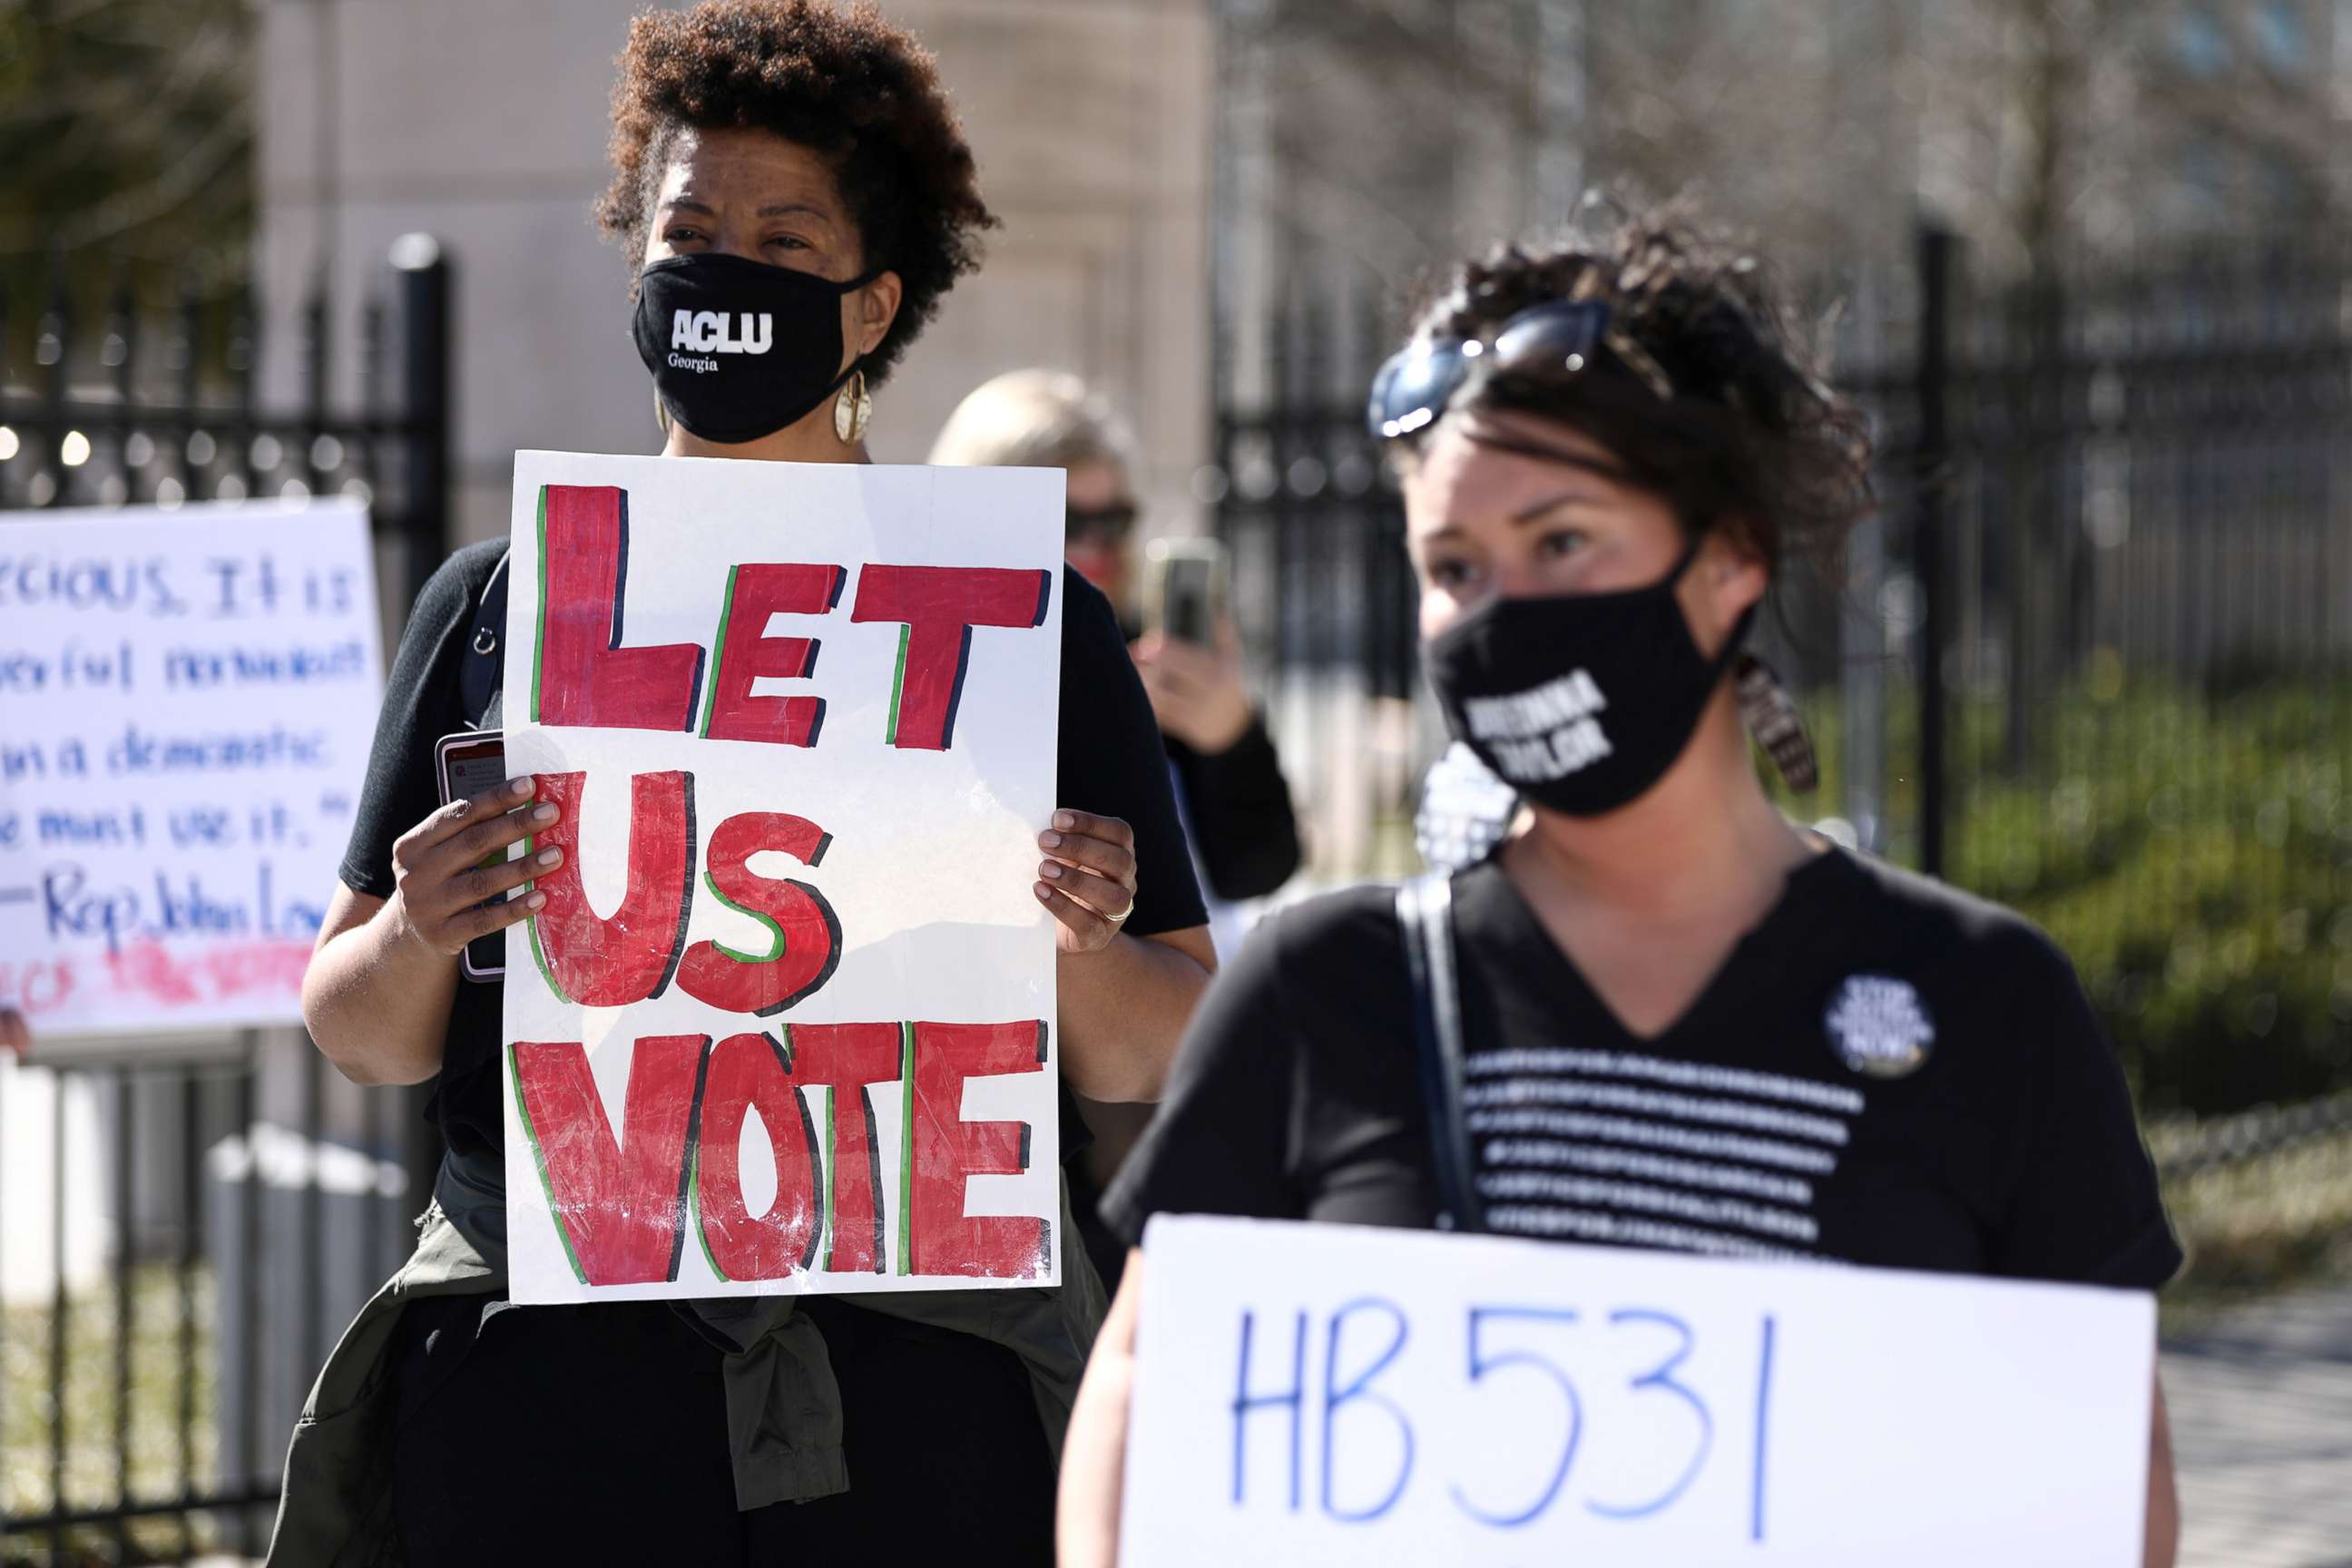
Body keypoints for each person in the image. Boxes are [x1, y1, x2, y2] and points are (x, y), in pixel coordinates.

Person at [1056, 207, 2182, 1568]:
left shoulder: (1985, 1008)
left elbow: (2112, 1501)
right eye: (1453, 569)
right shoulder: (1318, 997)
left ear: (1729, 559)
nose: (1501, 612)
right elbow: (1140, 1417)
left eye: (1564, 541)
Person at [272, 5, 1213, 1563]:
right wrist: (421, 927)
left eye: (786, 239)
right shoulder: (501, 603)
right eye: (688, 227)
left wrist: (1070, 939)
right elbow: (355, 1030)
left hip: (919, 1394)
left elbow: (1154, 1048)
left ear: (869, 308)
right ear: (635, 260)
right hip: (542, 1385)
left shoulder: (1023, 629)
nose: (725, 271)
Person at [930, 370, 1302, 1291]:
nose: (1095, 550)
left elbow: (1261, 863)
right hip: (1019, 1100)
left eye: (1117, 523)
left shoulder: (1155, 659)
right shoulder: (951, 666)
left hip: (1177, 1065)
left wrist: (1233, 740)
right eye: (1067, 525)